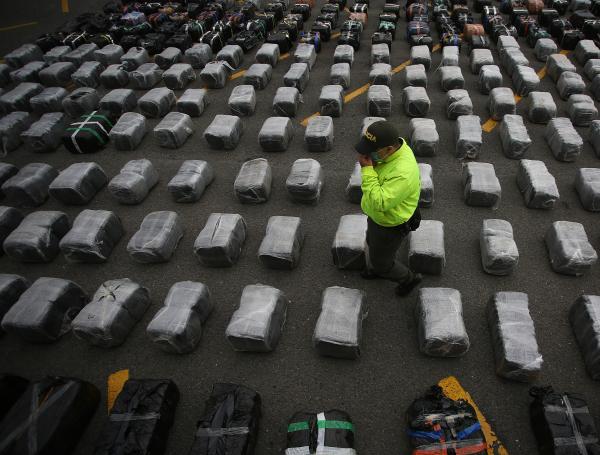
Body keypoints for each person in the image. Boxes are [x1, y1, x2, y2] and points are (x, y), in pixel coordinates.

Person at [355, 120, 423, 296]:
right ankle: (377, 267)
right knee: (372, 241)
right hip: (378, 217)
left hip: (390, 223)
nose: (366, 154)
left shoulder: (402, 172)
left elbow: (380, 202)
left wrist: (367, 170)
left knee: (382, 262)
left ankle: (408, 278)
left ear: (389, 150)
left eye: (371, 151)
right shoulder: (392, 149)